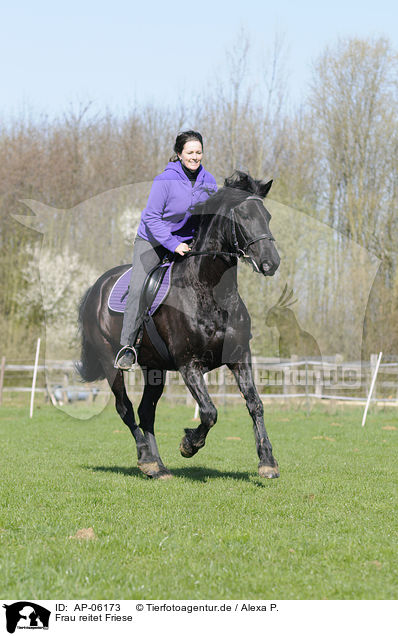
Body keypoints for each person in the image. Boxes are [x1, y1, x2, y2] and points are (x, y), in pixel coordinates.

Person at [116, 130, 217, 369]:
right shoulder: (164, 180)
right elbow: (151, 218)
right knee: (139, 287)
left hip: (187, 243)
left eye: (199, 152)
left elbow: (209, 218)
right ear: (179, 154)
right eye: (190, 152)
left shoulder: (209, 181)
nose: (195, 157)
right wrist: (173, 244)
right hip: (153, 241)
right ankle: (127, 346)